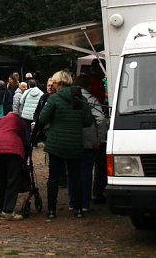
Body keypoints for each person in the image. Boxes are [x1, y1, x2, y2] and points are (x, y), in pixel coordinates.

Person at [35, 70, 94, 219]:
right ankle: (78, 209)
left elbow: (42, 118)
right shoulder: (80, 99)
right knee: (75, 176)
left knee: (54, 177)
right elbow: (88, 121)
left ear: (60, 83)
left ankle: (51, 210)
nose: (53, 85)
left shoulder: (54, 99)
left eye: (54, 82)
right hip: (75, 143)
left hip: (56, 143)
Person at [0, 112, 27, 221]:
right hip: (13, 151)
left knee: (1, 179)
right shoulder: (18, 122)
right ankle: (8, 211)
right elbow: (24, 138)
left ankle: (2, 207)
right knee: (12, 179)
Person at [74, 74, 104, 212]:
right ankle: (85, 202)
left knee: (73, 172)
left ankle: (73, 202)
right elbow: (101, 119)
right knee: (86, 171)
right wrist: (99, 138)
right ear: (89, 86)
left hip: (73, 139)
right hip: (89, 139)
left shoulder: (70, 98)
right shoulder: (92, 100)